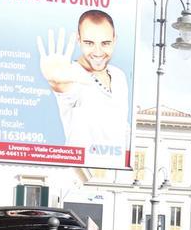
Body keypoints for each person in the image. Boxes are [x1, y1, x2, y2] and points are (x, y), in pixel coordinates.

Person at [37, 9, 129, 150]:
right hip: (81, 169)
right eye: (89, 43)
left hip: (115, 168)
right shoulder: (71, 74)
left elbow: (122, 127)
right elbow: (64, 89)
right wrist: (55, 81)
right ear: (79, 40)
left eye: (105, 43)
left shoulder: (119, 76)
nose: (98, 52)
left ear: (114, 40)